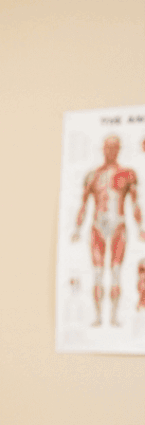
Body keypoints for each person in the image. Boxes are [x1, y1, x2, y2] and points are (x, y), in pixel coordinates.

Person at [72, 134, 145, 327]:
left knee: (115, 273)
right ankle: (97, 317)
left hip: (118, 225)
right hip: (97, 227)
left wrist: (141, 227)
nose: (110, 151)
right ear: (102, 148)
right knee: (97, 273)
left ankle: (113, 317)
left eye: (114, 147)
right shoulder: (92, 175)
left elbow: (135, 203)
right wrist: (77, 228)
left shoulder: (128, 174)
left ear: (119, 149)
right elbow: (84, 204)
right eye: (107, 147)